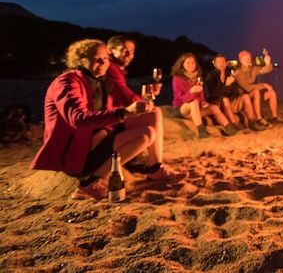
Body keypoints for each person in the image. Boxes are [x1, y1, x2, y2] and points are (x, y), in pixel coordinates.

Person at [30, 39, 181, 201]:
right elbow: (78, 120)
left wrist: (108, 128)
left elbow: (113, 110)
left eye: (106, 59)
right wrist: (123, 113)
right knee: (146, 133)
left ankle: (155, 168)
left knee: (151, 120)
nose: (103, 63)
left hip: (95, 137)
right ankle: (90, 182)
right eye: (97, 59)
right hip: (74, 150)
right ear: (80, 60)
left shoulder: (101, 81)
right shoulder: (67, 82)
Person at [106, 35, 180, 181]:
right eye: (124, 50)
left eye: (132, 51)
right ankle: (155, 166)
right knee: (154, 112)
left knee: (154, 112)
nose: (129, 55)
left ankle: (155, 166)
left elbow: (123, 97)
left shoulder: (116, 69)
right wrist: (145, 102)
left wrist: (146, 98)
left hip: (114, 116)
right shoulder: (110, 69)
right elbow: (125, 98)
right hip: (109, 120)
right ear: (110, 50)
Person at [171, 53, 237, 137]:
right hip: (181, 109)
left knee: (214, 107)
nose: (191, 64)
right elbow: (180, 98)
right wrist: (191, 92)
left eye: (193, 62)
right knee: (193, 102)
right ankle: (201, 131)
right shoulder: (177, 78)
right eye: (188, 62)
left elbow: (201, 93)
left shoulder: (197, 76)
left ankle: (228, 127)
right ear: (182, 64)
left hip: (195, 110)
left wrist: (203, 102)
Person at [206, 54, 267, 132]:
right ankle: (234, 124)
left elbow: (235, 90)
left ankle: (252, 123)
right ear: (214, 63)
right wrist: (226, 85)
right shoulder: (210, 76)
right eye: (219, 62)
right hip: (218, 104)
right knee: (225, 99)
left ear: (226, 63)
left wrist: (233, 89)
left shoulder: (229, 74)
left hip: (231, 102)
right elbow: (212, 94)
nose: (221, 64)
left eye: (223, 61)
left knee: (245, 96)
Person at [234, 49, 283, 126]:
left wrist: (268, 63)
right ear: (240, 60)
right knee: (256, 91)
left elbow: (264, 70)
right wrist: (264, 85)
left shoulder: (253, 69)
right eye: (244, 59)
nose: (247, 60)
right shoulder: (238, 72)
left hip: (254, 97)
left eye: (248, 58)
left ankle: (274, 117)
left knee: (271, 93)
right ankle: (259, 119)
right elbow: (246, 88)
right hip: (244, 99)